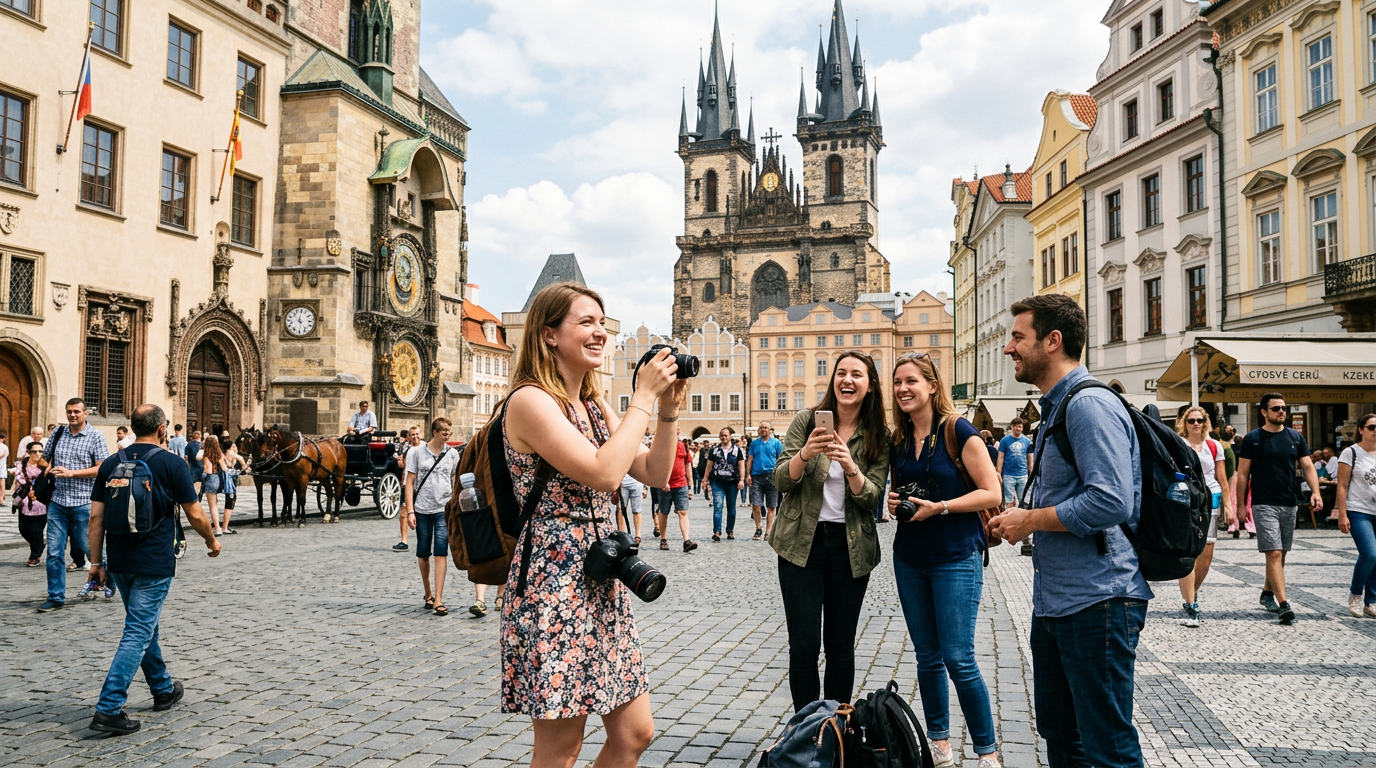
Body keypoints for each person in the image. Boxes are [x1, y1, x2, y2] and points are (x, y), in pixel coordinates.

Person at [500, 282, 685, 767]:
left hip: (602, 576)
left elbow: (654, 473)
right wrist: (642, 397)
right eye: (586, 322)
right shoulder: (531, 402)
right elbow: (604, 472)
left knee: (635, 733)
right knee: (562, 748)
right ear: (548, 335)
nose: (600, 332)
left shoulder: (594, 404)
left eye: (602, 322)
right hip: (553, 582)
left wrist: (666, 410)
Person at [987, 295, 1151, 768]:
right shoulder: (1056, 408)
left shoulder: (1089, 405)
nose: (1009, 348)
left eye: (1018, 337)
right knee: (1062, 737)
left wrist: (1031, 520)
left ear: (1052, 341)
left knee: (1108, 747)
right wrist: (1018, 517)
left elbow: (1112, 499)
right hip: (1059, 600)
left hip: (1098, 600)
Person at [888, 352, 1003, 768]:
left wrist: (942, 507)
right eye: (898, 382)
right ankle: (939, 742)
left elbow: (992, 494)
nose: (903, 388)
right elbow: (907, 490)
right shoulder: (899, 441)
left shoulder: (959, 430)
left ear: (932, 386)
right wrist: (895, 500)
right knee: (927, 657)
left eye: (912, 381)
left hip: (956, 555)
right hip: (911, 558)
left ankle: (987, 751)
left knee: (959, 657)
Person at [85, 404, 221, 735]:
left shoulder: (112, 464)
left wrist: (96, 562)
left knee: (145, 626)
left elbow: (95, 518)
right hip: (153, 561)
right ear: (162, 429)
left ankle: (162, 689)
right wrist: (212, 541)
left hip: (119, 561)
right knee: (138, 631)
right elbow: (196, 513)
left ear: (132, 428)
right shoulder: (172, 463)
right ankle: (108, 708)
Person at [773, 351, 890, 712]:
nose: (847, 380)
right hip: (800, 547)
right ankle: (807, 729)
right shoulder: (807, 420)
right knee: (803, 645)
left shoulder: (878, 436)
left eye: (857, 374)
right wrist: (805, 454)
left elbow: (872, 499)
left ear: (870, 386)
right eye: (841, 373)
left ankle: (838, 729)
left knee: (841, 646)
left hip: (850, 549)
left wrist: (852, 467)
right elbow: (780, 479)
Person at [1235, 393, 1321, 626]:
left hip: (1288, 502)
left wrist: (1316, 492)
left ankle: (1266, 592)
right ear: (1264, 412)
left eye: (1284, 408)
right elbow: (1243, 475)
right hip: (1263, 503)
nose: (1282, 412)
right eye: (1276, 409)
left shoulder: (1295, 437)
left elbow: (1307, 466)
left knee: (1280, 553)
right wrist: (1241, 506)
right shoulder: (1253, 439)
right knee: (1273, 552)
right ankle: (1284, 605)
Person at [37, 398, 110, 612]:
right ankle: (56, 596)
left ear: (86, 413)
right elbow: (43, 459)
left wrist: (72, 473)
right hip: (58, 502)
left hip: (84, 502)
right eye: (69, 411)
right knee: (54, 552)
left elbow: (102, 468)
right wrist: (48, 467)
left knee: (90, 549)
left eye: (76, 411)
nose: (72, 415)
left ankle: (109, 577)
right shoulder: (59, 433)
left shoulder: (95, 436)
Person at [1175, 406, 1234, 628]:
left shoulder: (1214, 445)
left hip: (1212, 498)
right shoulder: (1179, 444)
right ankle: (1191, 603)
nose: (1196, 424)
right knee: (1189, 550)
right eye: (1191, 421)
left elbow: (1222, 478)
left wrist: (1229, 506)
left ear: (1205, 422)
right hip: (1187, 499)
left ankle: (1193, 592)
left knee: (1207, 553)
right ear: (1185, 423)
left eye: (1199, 420)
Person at [403, 417, 461, 617]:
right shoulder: (417, 452)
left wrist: (455, 505)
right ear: (434, 432)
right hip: (421, 509)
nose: (447, 434)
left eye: (449, 431)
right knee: (423, 553)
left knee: (441, 552)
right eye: (444, 431)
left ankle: (438, 599)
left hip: (443, 510)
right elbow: (409, 482)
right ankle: (427, 591)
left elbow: (455, 481)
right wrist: (410, 510)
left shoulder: (452, 454)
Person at [1336, 413, 1376, 618]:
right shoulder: (1350, 453)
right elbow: (1341, 486)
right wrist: (1342, 515)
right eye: (1371, 427)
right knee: (1370, 553)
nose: (1375, 430)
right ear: (1361, 429)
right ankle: (1355, 595)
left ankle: (1372, 601)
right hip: (1359, 510)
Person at [997, 418, 1034, 556]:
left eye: (1021, 427)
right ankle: (1010, 523)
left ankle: (1023, 524)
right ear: (1011, 427)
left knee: (1023, 500)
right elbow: (1001, 457)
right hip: (1009, 474)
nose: (1019, 429)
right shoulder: (1005, 441)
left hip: (1023, 474)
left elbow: (1030, 456)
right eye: (1017, 427)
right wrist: (998, 472)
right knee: (1009, 500)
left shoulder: (1026, 441)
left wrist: (1031, 469)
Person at [655, 426, 695, 553]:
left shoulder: (684, 446)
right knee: (664, 512)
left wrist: (690, 482)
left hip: (681, 484)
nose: (676, 430)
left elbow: (687, 464)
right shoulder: (662, 446)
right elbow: (657, 464)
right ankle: (663, 538)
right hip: (665, 485)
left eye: (678, 428)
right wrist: (663, 481)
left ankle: (686, 541)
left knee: (683, 512)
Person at [704, 428, 745, 542]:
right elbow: (709, 466)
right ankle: (717, 531)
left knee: (731, 508)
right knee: (718, 506)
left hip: (732, 482)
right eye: (722, 435)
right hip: (717, 482)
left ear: (730, 436)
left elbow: (741, 465)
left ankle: (730, 531)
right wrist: (705, 479)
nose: (724, 437)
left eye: (726, 435)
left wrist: (742, 480)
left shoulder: (738, 450)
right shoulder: (714, 450)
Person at [746, 421, 783, 541]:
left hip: (771, 476)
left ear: (770, 430)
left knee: (772, 506)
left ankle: (768, 531)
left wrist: (779, 474)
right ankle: (758, 528)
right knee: (756, 504)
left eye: (765, 427)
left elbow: (781, 459)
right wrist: (748, 474)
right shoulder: (754, 444)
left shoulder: (777, 443)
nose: (763, 429)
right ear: (758, 430)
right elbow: (750, 459)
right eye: (761, 427)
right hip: (756, 476)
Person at [15, 441, 48, 566]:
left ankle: (35, 556)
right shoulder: (22, 465)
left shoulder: (44, 468)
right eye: (34, 451)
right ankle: (39, 544)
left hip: (41, 503)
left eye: (40, 451)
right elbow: (19, 480)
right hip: (24, 502)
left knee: (36, 530)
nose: (38, 454)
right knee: (23, 529)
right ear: (28, 452)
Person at [393, 426, 422, 551]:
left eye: (417, 434)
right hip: (407, 485)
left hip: (421, 486)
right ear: (409, 436)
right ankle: (404, 541)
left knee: (421, 514)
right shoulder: (406, 447)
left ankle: (423, 539)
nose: (415, 437)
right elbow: (403, 463)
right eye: (412, 435)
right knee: (403, 512)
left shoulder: (426, 448)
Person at [221, 437, 247, 535]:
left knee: (229, 502)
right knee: (230, 503)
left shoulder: (225, 454)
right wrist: (244, 465)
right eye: (234, 445)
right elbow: (240, 458)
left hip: (228, 479)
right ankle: (224, 527)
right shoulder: (230, 453)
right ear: (230, 447)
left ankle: (224, 526)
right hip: (230, 482)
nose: (235, 447)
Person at [618, 472, 645, 543]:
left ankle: (638, 535)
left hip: (637, 482)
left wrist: (645, 487)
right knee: (621, 509)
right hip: (622, 483)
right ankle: (621, 533)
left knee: (637, 510)